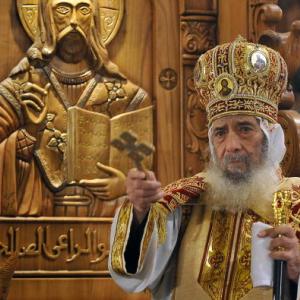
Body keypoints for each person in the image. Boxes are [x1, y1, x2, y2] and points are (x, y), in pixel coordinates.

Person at [109, 37, 300, 300]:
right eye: (220, 133)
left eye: (245, 129)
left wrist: (297, 270)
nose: (231, 145)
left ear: (271, 135)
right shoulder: (185, 201)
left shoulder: (298, 199)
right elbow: (135, 274)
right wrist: (141, 213)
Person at [0, 0, 151, 217]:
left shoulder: (128, 98)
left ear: (96, 18)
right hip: (29, 240)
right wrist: (29, 133)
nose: (73, 21)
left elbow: (149, 180)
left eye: (83, 9)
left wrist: (125, 186)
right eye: (63, 9)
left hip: (105, 238)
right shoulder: (19, 91)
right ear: (45, 18)